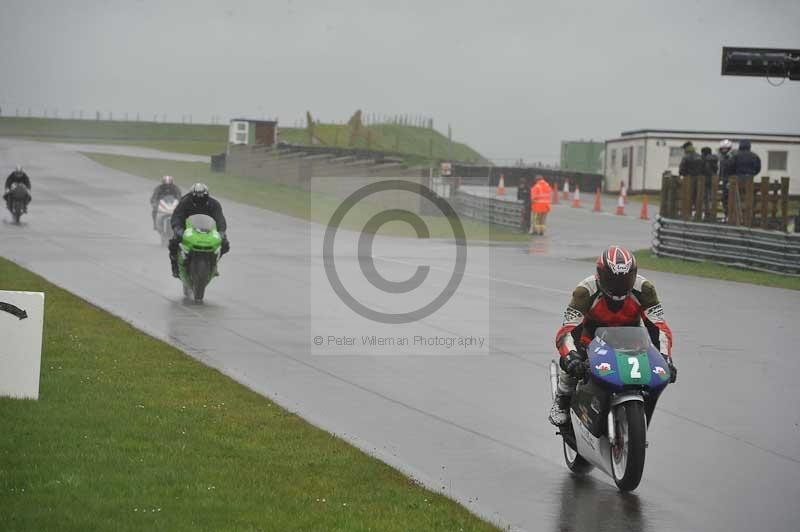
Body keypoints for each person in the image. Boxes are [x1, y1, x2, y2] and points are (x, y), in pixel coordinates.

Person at [548, 246, 677, 426]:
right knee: (569, 362)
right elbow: (567, 331)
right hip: (591, 341)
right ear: (599, 275)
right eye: (612, 280)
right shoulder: (585, 291)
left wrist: (666, 358)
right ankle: (561, 399)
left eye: (625, 279)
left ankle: (639, 415)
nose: (619, 286)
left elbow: (659, 327)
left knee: (653, 373)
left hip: (631, 342)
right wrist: (571, 356)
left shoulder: (645, 289)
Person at [169, 183, 229, 277]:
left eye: (202, 197)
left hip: (208, 229)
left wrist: (221, 231)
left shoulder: (214, 204)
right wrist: (177, 228)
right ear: (191, 196)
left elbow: (220, 219)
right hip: (187, 229)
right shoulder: (185, 202)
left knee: (225, 244)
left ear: (207, 195)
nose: (199, 199)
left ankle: (214, 264)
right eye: (196, 197)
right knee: (173, 242)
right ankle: (175, 267)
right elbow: (177, 216)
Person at [700, 147, 718, 216]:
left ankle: (706, 211)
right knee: (711, 196)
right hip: (713, 180)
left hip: (704, 180)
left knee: (704, 197)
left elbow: (704, 169)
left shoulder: (704, 159)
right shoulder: (714, 159)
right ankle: (711, 211)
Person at [718, 139, 734, 216]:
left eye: (725, 148)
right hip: (724, 180)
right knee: (724, 198)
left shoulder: (731, 157)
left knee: (729, 198)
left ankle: (729, 215)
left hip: (730, 180)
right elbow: (721, 170)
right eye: (722, 148)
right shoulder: (722, 158)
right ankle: (726, 214)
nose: (724, 150)